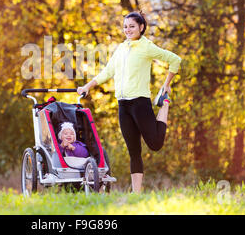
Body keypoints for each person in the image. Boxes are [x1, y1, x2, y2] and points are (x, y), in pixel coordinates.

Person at [77, 11, 182, 193]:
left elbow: (175, 60)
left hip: (140, 103)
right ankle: (136, 193)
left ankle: (164, 103)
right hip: (123, 105)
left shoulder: (147, 47)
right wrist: (88, 85)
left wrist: (166, 85)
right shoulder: (121, 48)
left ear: (141, 28)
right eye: (125, 26)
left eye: (132, 26)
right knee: (134, 151)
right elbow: (108, 72)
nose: (128, 30)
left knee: (155, 144)